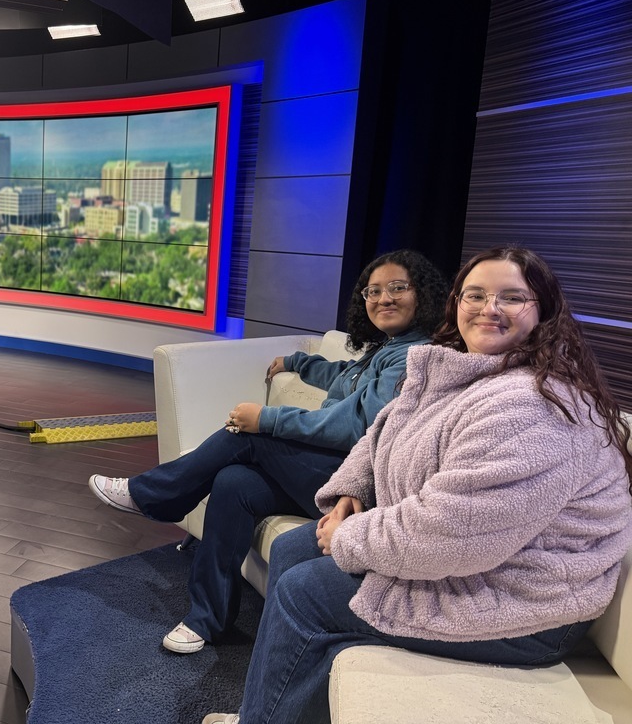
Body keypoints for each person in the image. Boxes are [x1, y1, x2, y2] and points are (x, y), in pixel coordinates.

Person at [203, 246, 632, 724]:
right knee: (293, 550)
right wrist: (353, 491)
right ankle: (265, 711)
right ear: (455, 302)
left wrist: (348, 536)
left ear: (544, 312)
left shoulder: (531, 407)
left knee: (305, 591)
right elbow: (383, 431)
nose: (489, 308)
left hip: (529, 603)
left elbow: (453, 532)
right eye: (476, 295)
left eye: (511, 298)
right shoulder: (457, 370)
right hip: (479, 562)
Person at [89, 249, 449, 654]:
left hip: (357, 488)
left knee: (249, 435)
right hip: (332, 472)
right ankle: (207, 618)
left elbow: (358, 426)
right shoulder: (388, 348)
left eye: (397, 288)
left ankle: (154, 495)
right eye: (373, 291)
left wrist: (268, 419)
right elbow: (343, 375)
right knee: (233, 481)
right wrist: (296, 362)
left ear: (424, 295)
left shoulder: (415, 356)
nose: (384, 299)